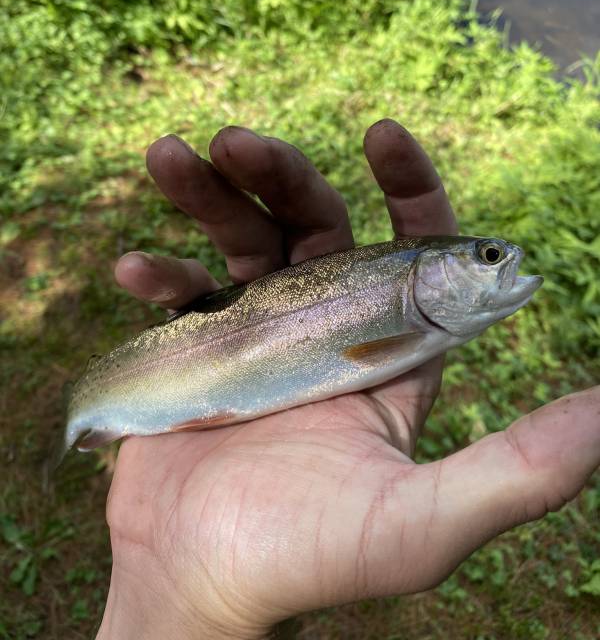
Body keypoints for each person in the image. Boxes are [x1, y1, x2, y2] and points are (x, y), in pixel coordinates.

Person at [96, 120, 600, 640]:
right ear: (425, 274)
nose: (500, 262)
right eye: (489, 257)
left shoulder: (417, 320)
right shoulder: (409, 324)